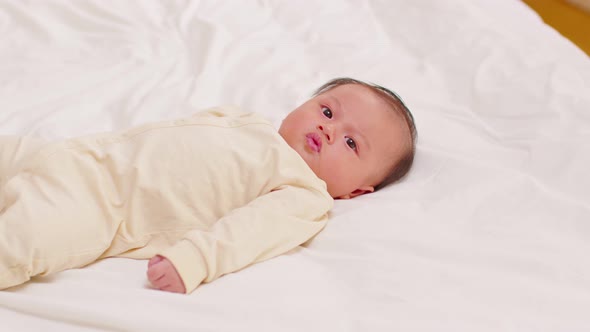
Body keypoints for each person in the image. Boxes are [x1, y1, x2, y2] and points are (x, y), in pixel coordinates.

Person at [0, 78, 417, 294]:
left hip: (100, 207)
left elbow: (248, 233)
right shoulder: (246, 120)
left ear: (357, 193)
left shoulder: (303, 194)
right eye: (327, 110)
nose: (328, 130)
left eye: (350, 142)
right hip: (80, 154)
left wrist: (195, 260)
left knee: (22, 241)